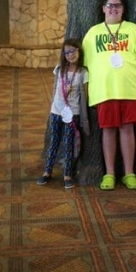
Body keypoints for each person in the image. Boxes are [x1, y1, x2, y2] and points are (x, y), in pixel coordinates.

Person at [81, 0, 136, 191]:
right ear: (103, 8)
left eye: (118, 5)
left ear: (123, 9)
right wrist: (88, 91)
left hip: (129, 91)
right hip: (104, 92)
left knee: (127, 130)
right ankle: (110, 173)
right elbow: (84, 66)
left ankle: (129, 173)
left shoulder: (133, 30)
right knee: (108, 130)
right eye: (110, 5)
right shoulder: (93, 33)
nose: (114, 8)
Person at [36, 38, 90, 189]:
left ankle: (67, 174)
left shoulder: (82, 72)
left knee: (68, 144)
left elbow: (85, 95)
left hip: (73, 113)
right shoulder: (59, 69)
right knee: (54, 141)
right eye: (66, 52)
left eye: (73, 51)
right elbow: (55, 88)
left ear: (79, 51)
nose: (70, 55)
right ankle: (47, 171)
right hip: (56, 111)